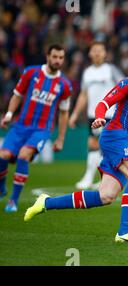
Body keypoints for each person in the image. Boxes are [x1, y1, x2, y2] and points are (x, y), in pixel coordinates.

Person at [24, 47, 128, 244]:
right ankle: (125, 232)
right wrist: (98, 118)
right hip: (114, 135)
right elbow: (104, 103)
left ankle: (46, 202)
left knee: (105, 196)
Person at [0, 44, 72, 213]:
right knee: (3, 155)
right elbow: (17, 95)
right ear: (47, 55)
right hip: (20, 125)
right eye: (55, 57)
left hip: (42, 129)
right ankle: (2, 187)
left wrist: (61, 138)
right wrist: (9, 115)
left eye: (61, 58)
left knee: (24, 155)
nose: (58, 61)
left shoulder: (65, 85)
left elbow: (63, 113)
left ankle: (13, 200)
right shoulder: (31, 73)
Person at [69, 41, 124, 190]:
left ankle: (104, 178)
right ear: (90, 53)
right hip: (92, 115)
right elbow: (83, 95)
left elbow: (124, 88)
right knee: (93, 145)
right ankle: (90, 178)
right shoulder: (87, 72)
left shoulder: (111, 70)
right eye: (95, 50)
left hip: (110, 115)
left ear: (105, 53)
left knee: (106, 147)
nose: (98, 53)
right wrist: (74, 114)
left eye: (100, 50)